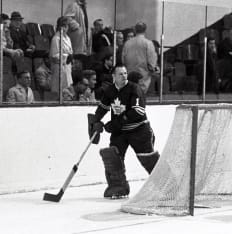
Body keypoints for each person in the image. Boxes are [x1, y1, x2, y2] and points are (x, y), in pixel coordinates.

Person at [89, 65, 160, 198]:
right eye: (120, 74)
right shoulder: (110, 90)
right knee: (113, 157)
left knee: (148, 158)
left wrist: (116, 123)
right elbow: (103, 107)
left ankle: (166, 185)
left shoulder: (134, 89)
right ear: (114, 77)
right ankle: (118, 187)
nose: (124, 76)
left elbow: (138, 111)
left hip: (139, 130)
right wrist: (96, 121)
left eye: (125, 73)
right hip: (120, 132)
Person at [122, 21, 157, 94]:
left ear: (135, 30)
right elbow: (151, 63)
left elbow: (123, 60)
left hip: (129, 76)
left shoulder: (127, 43)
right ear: (145, 30)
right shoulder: (148, 43)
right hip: (143, 78)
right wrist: (153, 70)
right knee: (140, 99)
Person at [50, 16, 73, 94]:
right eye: (64, 25)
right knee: (59, 92)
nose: (66, 28)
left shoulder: (68, 38)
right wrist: (66, 57)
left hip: (67, 68)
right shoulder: (56, 38)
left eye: (67, 26)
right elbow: (54, 55)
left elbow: (70, 51)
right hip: (59, 69)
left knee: (68, 91)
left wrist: (71, 56)